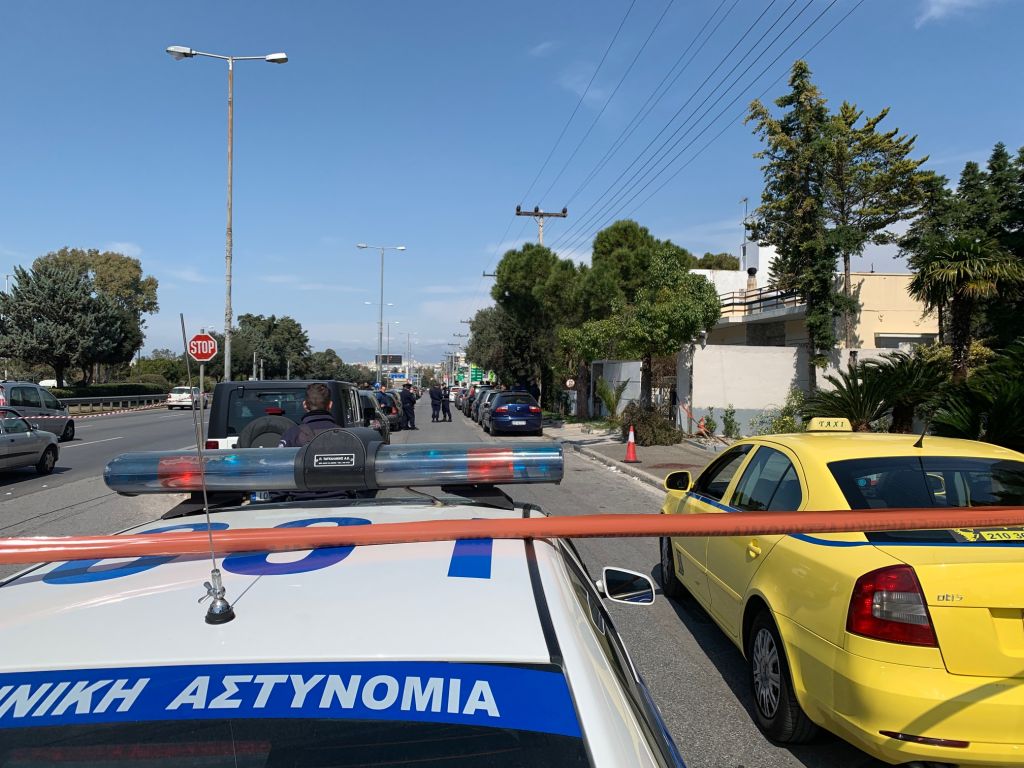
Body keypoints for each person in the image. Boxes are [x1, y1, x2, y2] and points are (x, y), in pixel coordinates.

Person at [279, 383, 339, 447]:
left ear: (304, 405)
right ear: (330, 405)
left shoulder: (292, 434)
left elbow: (281, 453)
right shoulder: (343, 433)